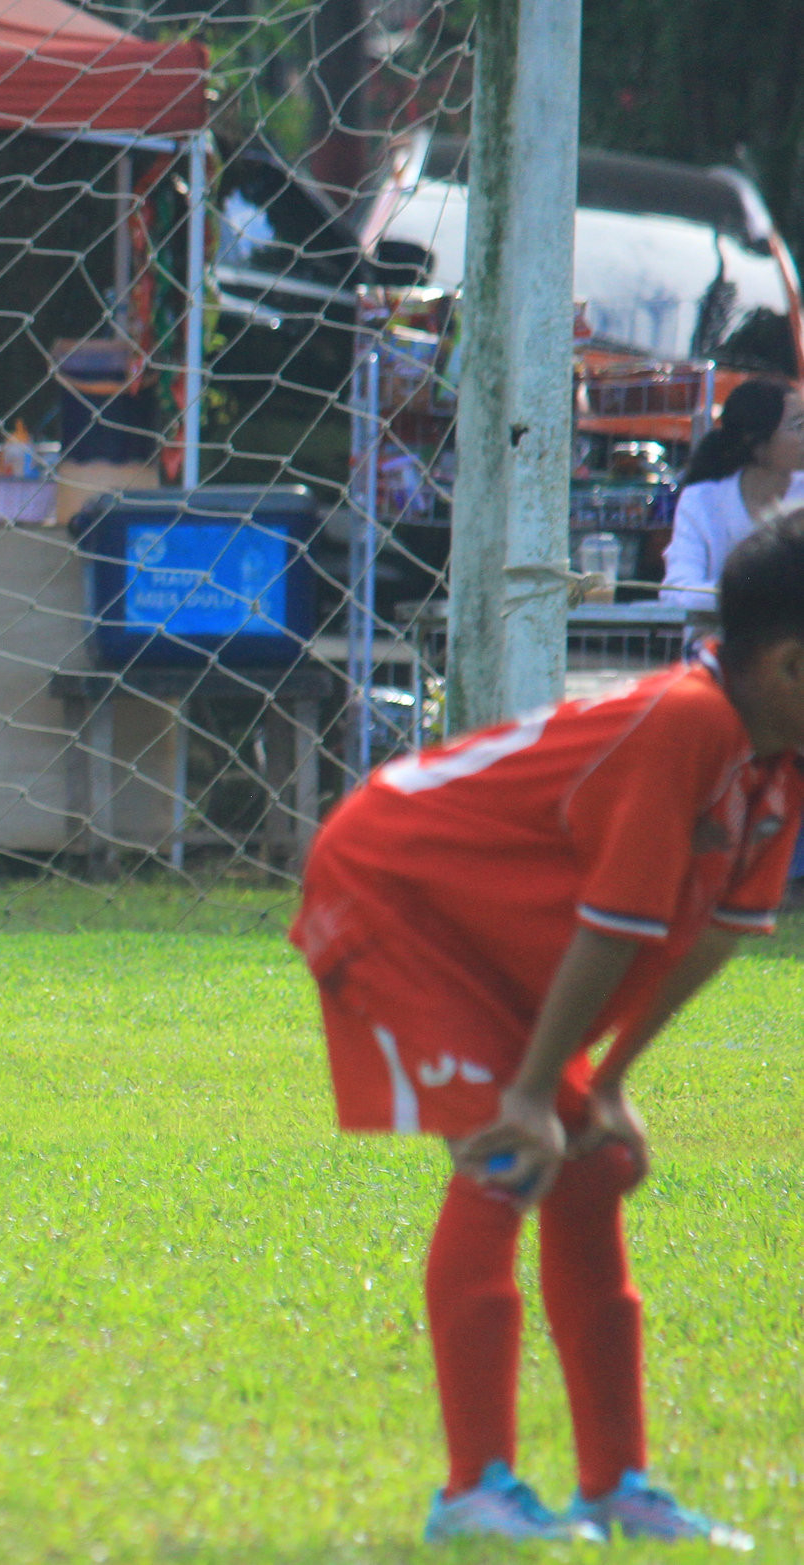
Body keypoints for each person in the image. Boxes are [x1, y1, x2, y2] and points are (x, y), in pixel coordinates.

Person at [286, 512, 804, 1546]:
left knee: (589, 1164)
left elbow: (712, 936)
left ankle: (615, 1485)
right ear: (789, 664)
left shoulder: (777, 761)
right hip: (390, 888)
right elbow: (614, 925)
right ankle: (472, 1491)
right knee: (508, 1156)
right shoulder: (686, 723)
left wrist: (604, 1083)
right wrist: (530, 1092)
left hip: (478, 930)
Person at [660, 376, 804, 609]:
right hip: (719, 632)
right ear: (755, 440)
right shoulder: (701, 500)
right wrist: (753, 596)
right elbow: (677, 592)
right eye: (798, 426)